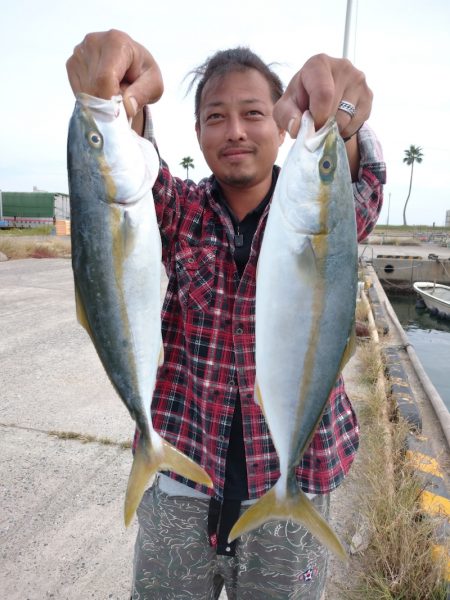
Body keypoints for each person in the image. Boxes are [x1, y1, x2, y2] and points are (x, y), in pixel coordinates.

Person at [66, 30, 386, 600]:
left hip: (296, 478)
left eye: (253, 113)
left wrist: (344, 119)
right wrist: (113, 98)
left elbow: (360, 183)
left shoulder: (323, 214)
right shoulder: (182, 212)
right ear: (197, 133)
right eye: (216, 116)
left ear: (282, 124)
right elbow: (129, 181)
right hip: (182, 476)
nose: (235, 130)